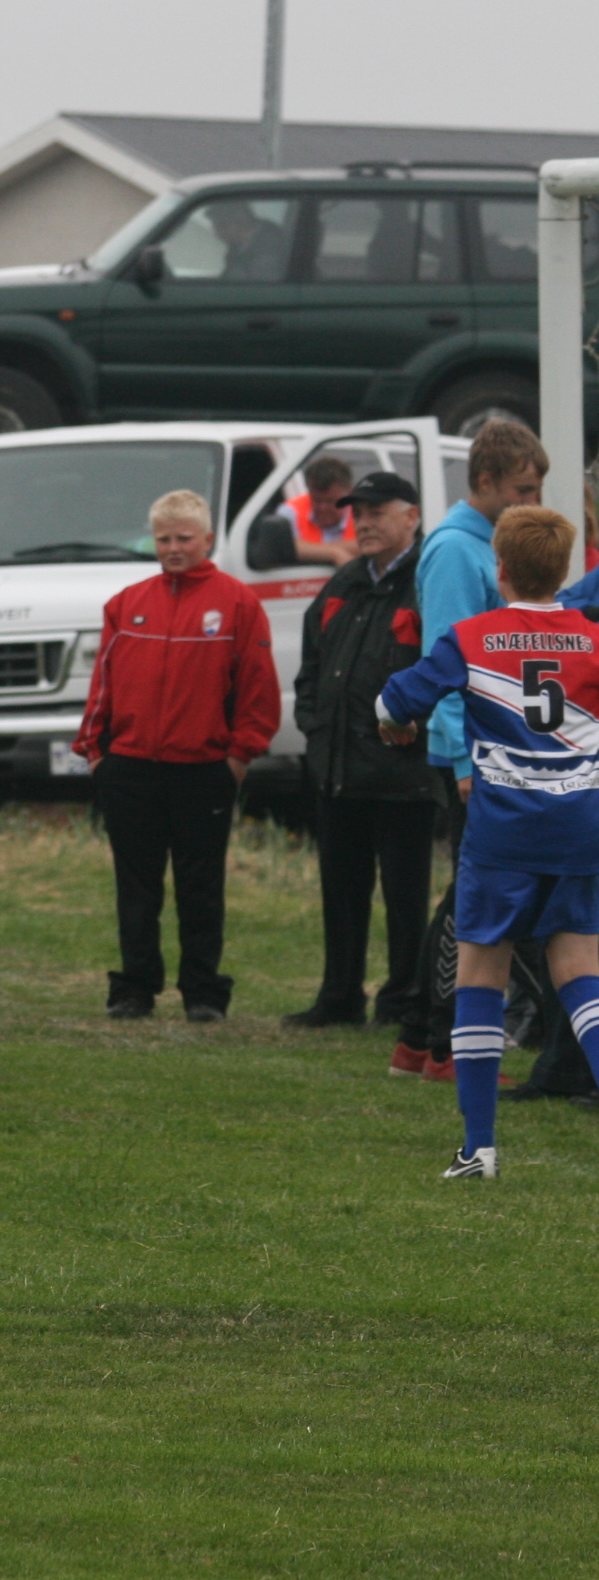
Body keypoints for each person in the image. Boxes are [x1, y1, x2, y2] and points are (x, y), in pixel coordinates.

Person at [375, 506, 599, 1179]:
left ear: (499, 568)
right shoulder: (592, 638)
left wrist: (396, 726)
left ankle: (479, 1148)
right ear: (564, 568)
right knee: (581, 973)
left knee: (481, 974)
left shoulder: (472, 637)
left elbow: (393, 703)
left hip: (503, 832)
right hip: (580, 827)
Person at [74, 489, 280, 1023]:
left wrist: (239, 757)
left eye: (184, 538)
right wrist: (95, 752)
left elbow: (258, 688)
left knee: (201, 888)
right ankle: (134, 988)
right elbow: (103, 685)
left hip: (204, 769)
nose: (173, 548)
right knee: (136, 888)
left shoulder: (238, 603)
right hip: (130, 767)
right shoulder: (126, 604)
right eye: (163, 539)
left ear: (207, 539)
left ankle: (203, 993)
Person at [399, 419, 547, 1081]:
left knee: (468, 894)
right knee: (473, 901)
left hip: (491, 750)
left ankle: (419, 1039)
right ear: (484, 482)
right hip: (474, 754)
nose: (530, 502)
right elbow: (451, 660)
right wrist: (463, 760)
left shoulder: (484, 542)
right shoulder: (459, 551)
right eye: (522, 490)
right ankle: (442, 1045)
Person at [285, 471, 432, 1028]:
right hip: (338, 770)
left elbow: (444, 670)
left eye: (376, 512)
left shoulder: (427, 582)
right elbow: (311, 666)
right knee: (342, 895)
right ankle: (339, 998)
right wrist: (314, 725)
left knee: (405, 898)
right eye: (358, 514)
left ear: (411, 517)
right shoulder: (344, 583)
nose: (364, 523)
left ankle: (402, 1001)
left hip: (403, 776)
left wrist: (417, 737)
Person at [284, 453, 359, 569]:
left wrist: (311, 551)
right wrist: (334, 553)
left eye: (330, 501)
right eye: (316, 500)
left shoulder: (362, 512)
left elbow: (376, 545)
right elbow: (286, 547)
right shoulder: (291, 511)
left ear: (348, 493)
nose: (322, 507)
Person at [208, 200, 289, 281]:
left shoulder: (271, 249)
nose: (218, 234)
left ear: (240, 218)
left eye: (222, 226)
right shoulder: (236, 250)